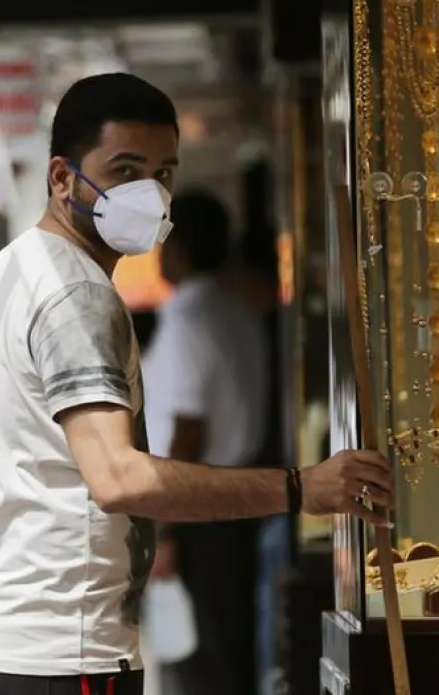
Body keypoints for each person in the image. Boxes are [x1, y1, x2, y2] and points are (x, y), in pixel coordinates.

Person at [0, 72, 393, 695]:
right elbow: (118, 477)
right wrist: (301, 487)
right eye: (124, 170)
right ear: (61, 178)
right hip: (60, 651)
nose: (148, 192)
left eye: (164, 172)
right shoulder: (77, 294)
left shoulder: (8, 272)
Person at [142, 191, 269, 695]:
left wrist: (166, 529)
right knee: (226, 653)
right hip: (236, 504)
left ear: (183, 248)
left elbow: (187, 431)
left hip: (199, 511)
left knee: (199, 663)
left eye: (164, 239)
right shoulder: (237, 311)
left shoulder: (188, 318)